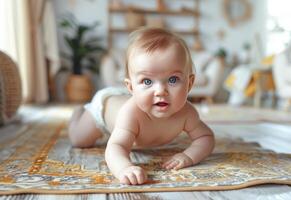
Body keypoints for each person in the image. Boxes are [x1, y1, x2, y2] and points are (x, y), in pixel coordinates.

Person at [68, 27, 215, 185]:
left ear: (189, 83)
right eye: (147, 81)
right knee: (79, 140)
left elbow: (205, 137)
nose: (160, 91)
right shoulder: (131, 114)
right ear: (131, 87)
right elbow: (116, 147)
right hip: (104, 108)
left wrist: (188, 156)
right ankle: (79, 113)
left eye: (173, 80)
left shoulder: (187, 113)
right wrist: (124, 168)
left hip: (127, 98)